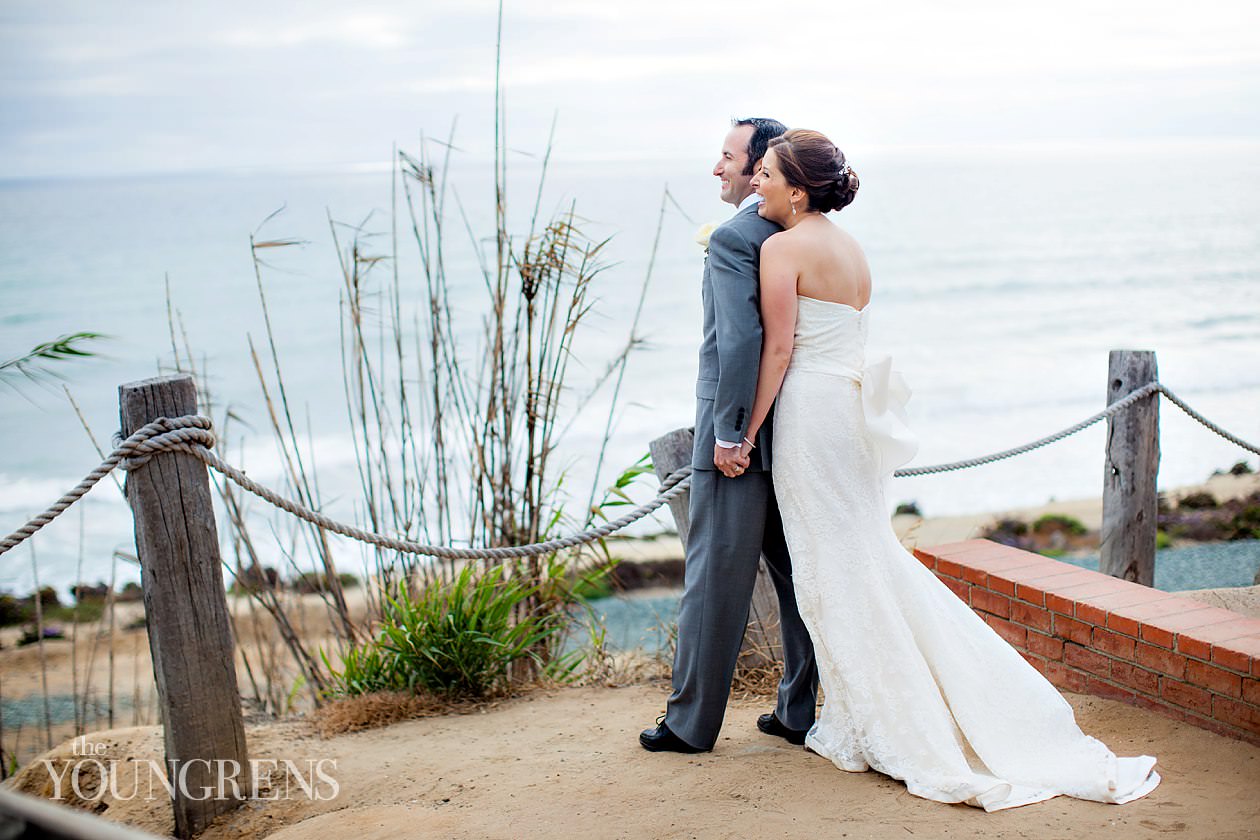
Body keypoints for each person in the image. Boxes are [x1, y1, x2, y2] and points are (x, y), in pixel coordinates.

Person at [734, 128, 1161, 810]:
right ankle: (868, 710)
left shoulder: (783, 248)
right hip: (846, 412)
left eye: (768, 173)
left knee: (835, 563)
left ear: (797, 188)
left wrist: (743, 433)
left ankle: (891, 722)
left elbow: (780, 349)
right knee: (861, 556)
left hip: (811, 413)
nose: (756, 181)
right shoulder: (851, 249)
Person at [639, 118, 819, 754]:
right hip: (796, 433)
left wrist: (727, 434)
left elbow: (739, 343)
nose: (717, 168)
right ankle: (800, 709)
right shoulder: (797, 232)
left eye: (727, 157)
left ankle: (690, 725)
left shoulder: (738, 236)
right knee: (799, 578)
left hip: (742, 440)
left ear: (759, 165)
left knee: (713, 577)